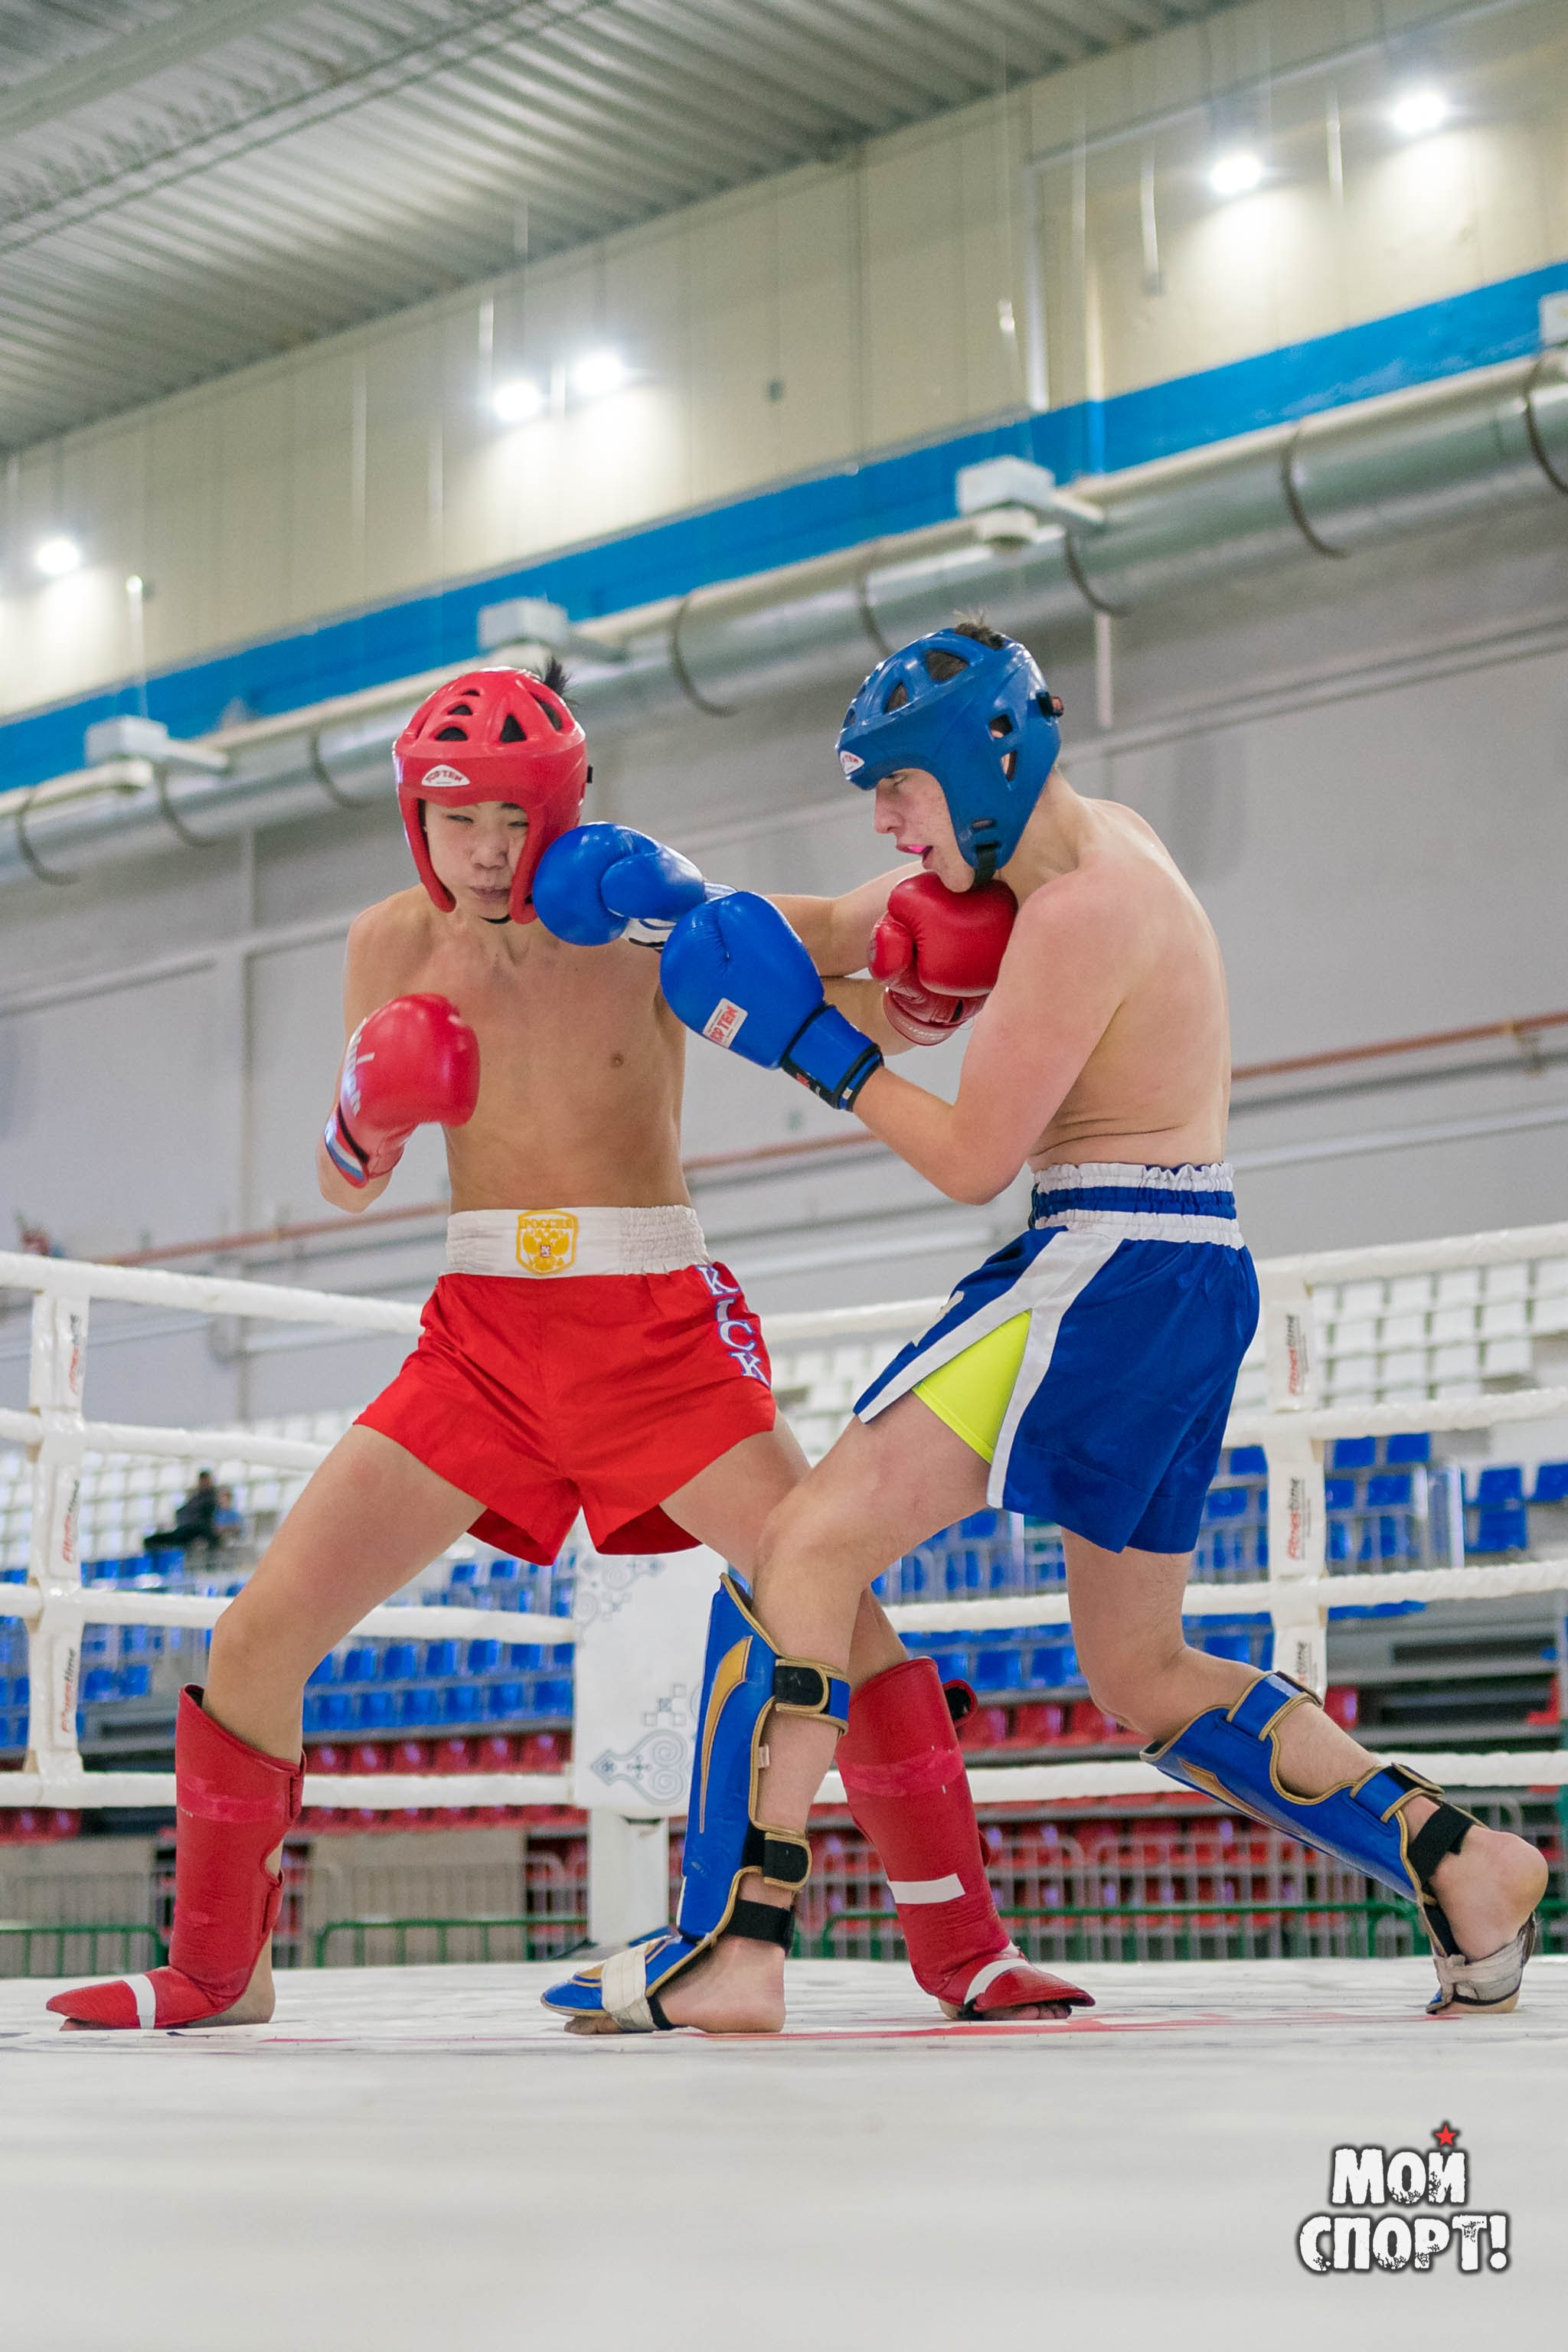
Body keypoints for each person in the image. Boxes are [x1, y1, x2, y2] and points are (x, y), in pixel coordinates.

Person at [49, 658, 1083, 2032]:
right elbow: (346, 1176)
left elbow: (856, 924)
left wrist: (958, 924)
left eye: (515, 815)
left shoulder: (645, 914)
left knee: (831, 1606)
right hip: (477, 1339)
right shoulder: (383, 946)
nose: (487, 848)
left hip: (650, 1332)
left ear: (567, 807)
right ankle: (217, 1974)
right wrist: (365, 1116)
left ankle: (969, 1955)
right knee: (257, 1635)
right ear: (416, 815)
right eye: (458, 815)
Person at [548, 616, 1548, 2034]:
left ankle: (730, 1943)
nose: (886, 819)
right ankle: (1464, 1859)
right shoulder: (1086, 851)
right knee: (1137, 1667)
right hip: (1188, 1267)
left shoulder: (1080, 914)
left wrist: (809, 1046)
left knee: (807, 1543)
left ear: (979, 760)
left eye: (896, 785)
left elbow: (965, 1155)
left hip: (1107, 1258)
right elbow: (863, 952)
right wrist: (687, 916)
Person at [143, 1468, 220, 1557]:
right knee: (152, 1541)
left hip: (194, 1531)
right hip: (185, 1529)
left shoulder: (210, 1499)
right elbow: (182, 1512)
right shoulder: (197, 1497)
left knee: (160, 1541)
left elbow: (204, 1518)